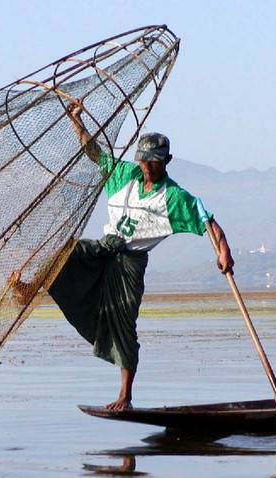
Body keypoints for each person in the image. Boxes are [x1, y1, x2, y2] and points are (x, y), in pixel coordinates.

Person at [47, 103, 234, 411]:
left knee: (123, 323)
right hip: (102, 251)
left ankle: (125, 395)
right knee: (66, 253)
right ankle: (30, 284)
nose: (148, 167)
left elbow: (207, 222)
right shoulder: (123, 174)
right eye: (144, 161)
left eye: (155, 162)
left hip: (128, 264)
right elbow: (94, 153)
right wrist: (75, 120)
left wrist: (224, 252)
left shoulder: (174, 198)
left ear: (167, 161)